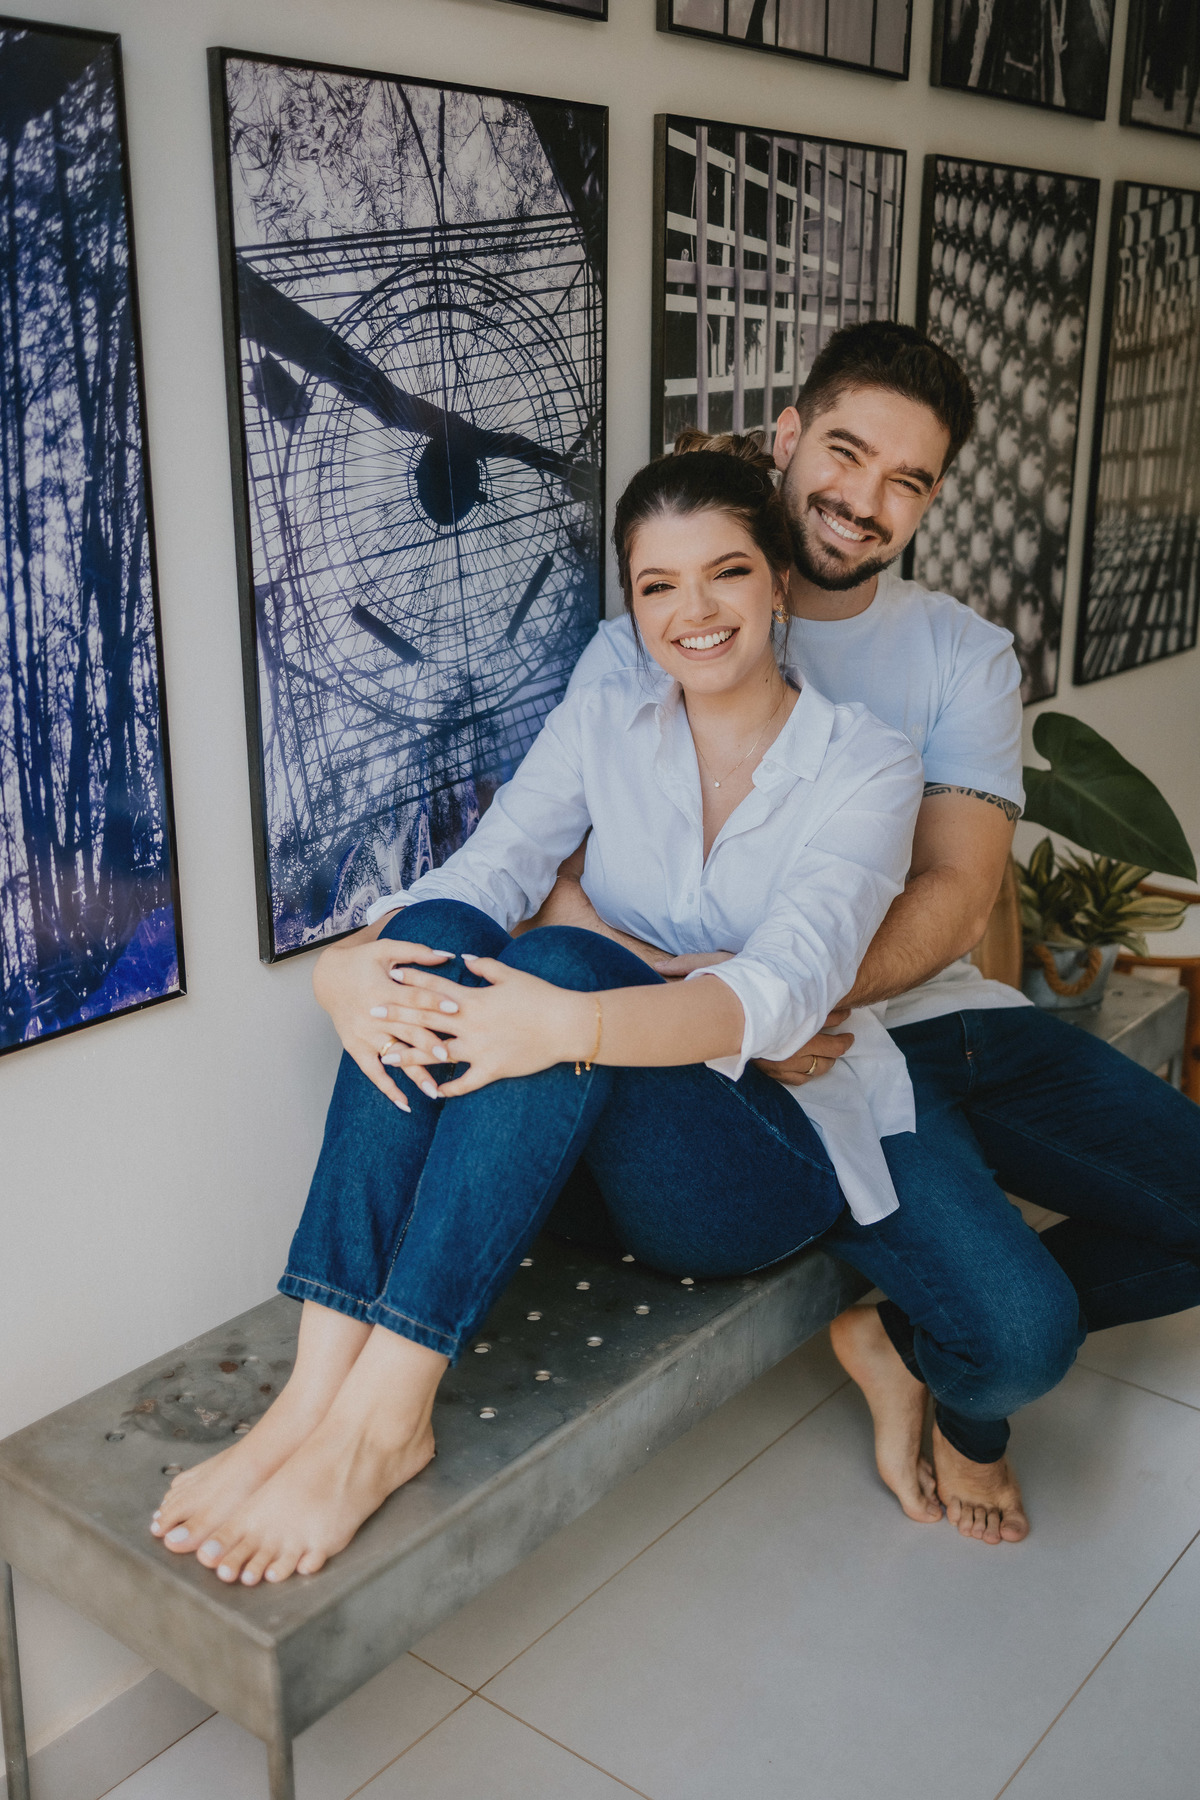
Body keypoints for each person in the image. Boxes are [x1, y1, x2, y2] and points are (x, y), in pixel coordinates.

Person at [148, 437, 926, 1586]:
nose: (693, 612)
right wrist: (346, 971)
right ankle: (313, 1396)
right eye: (657, 585)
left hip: (759, 1168)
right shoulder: (611, 717)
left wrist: (580, 1016)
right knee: (441, 934)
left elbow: (781, 991)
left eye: (725, 573)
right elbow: (490, 867)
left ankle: (386, 1422)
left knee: (561, 963)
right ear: (634, 604)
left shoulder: (869, 764)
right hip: (586, 1150)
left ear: (777, 579)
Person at [552, 320, 1200, 1547]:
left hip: (932, 1012)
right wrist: (728, 1013)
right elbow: (557, 869)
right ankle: (963, 1373)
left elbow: (957, 886)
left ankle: (902, 1330)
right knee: (1022, 1345)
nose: (864, 501)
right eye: (846, 454)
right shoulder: (682, 620)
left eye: (908, 480)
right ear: (789, 435)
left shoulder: (962, 654)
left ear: (931, 499)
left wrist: (785, 989)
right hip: (805, 1074)